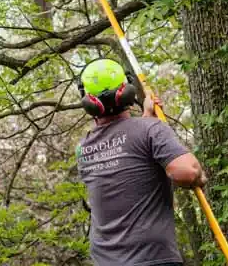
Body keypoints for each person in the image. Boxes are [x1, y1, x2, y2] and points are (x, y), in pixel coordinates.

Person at [75, 58, 207, 266]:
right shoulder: (149, 130)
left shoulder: (83, 148)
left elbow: (126, 157)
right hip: (152, 258)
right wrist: (200, 176)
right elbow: (186, 173)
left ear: (87, 100)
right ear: (127, 89)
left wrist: (148, 118)